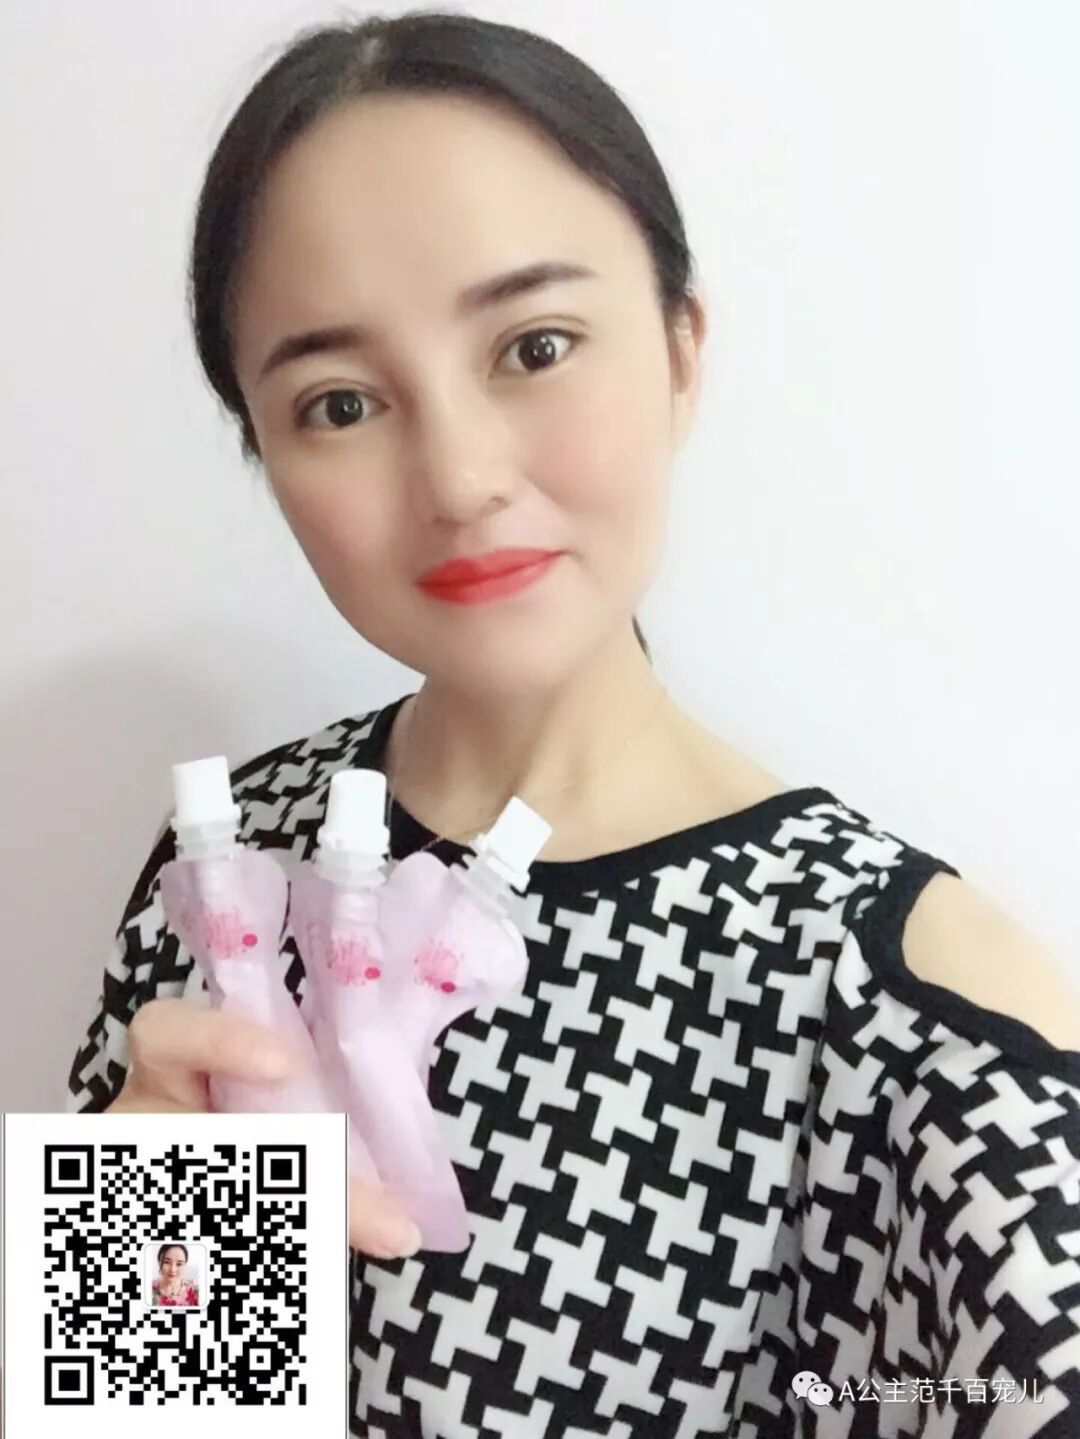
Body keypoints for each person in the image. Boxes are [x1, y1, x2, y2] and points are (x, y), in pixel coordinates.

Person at [66, 11, 1080, 1437]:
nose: (461, 478)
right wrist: (132, 1306)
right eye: (339, 402)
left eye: (534, 346)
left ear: (681, 348)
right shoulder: (229, 879)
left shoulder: (924, 1018)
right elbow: (139, 1417)